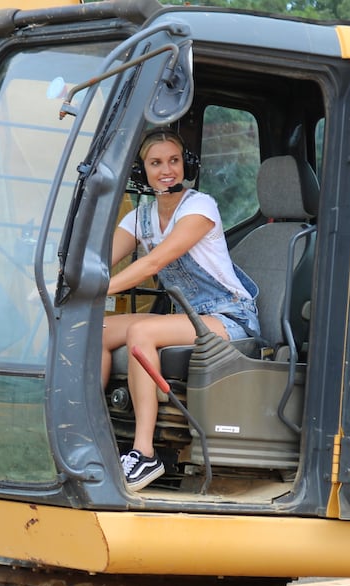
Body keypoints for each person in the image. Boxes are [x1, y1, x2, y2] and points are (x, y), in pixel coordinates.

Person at [102, 129, 259, 491]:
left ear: (185, 164)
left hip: (228, 318)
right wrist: (65, 278)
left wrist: (100, 286)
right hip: (188, 317)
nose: (166, 170)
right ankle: (91, 432)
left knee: (141, 333)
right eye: (156, 163)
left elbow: (153, 263)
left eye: (174, 161)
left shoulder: (200, 207)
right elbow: (100, 260)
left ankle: (144, 454)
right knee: (96, 329)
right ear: (142, 171)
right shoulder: (139, 218)